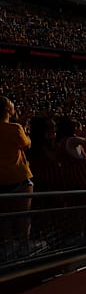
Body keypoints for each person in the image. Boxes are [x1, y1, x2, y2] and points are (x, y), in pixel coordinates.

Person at [0, 96, 33, 246]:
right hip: (19, 178)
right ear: (7, 109)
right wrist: (24, 129)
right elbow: (26, 144)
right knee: (23, 216)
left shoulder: (13, 128)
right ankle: (24, 245)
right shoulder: (15, 128)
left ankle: (8, 247)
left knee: (5, 217)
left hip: (2, 180)